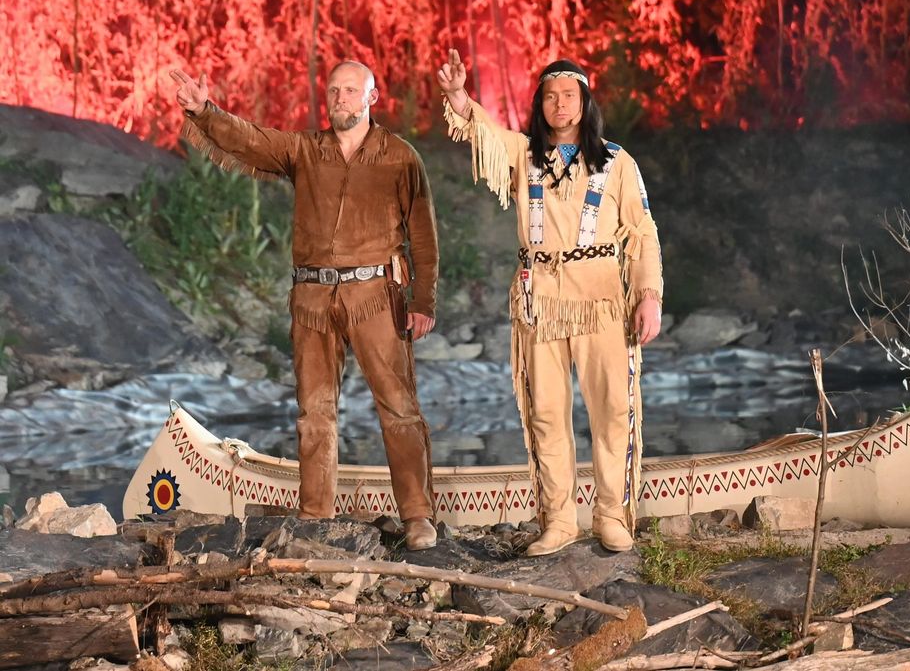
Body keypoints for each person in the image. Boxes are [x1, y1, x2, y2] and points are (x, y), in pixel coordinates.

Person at [169, 62, 440, 550]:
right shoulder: (305, 151)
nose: (340, 97)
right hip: (313, 298)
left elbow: (423, 233)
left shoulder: (400, 157)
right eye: (334, 90)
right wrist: (204, 112)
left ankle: (418, 516)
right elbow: (251, 140)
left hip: (376, 296)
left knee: (399, 408)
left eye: (351, 90)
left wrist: (423, 300)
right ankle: (315, 514)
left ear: (371, 98)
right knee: (314, 412)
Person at [436, 50, 663, 556]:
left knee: (613, 410)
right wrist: (457, 96)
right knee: (546, 414)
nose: (560, 104)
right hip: (539, 301)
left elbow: (643, 232)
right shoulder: (525, 155)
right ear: (540, 104)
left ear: (585, 102)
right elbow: (484, 135)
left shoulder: (615, 161)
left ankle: (611, 516)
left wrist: (648, 295)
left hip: (602, 301)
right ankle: (558, 520)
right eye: (550, 96)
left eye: (569, 95)